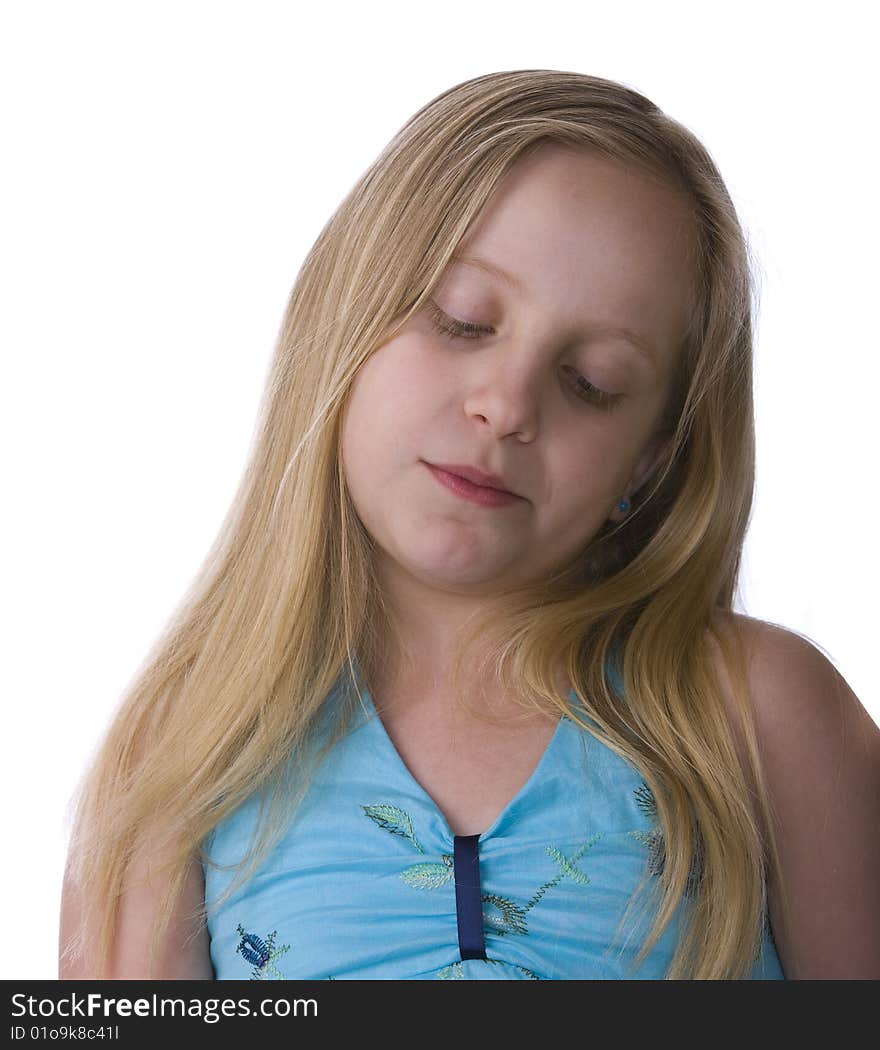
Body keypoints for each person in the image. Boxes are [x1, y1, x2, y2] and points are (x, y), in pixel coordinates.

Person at [58, 69, 880, 981]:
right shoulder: (181, 753)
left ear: (650, 458)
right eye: (462, 320)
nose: (506, 404)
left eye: (592, 382)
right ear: (346, 321)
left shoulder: (762, 717)